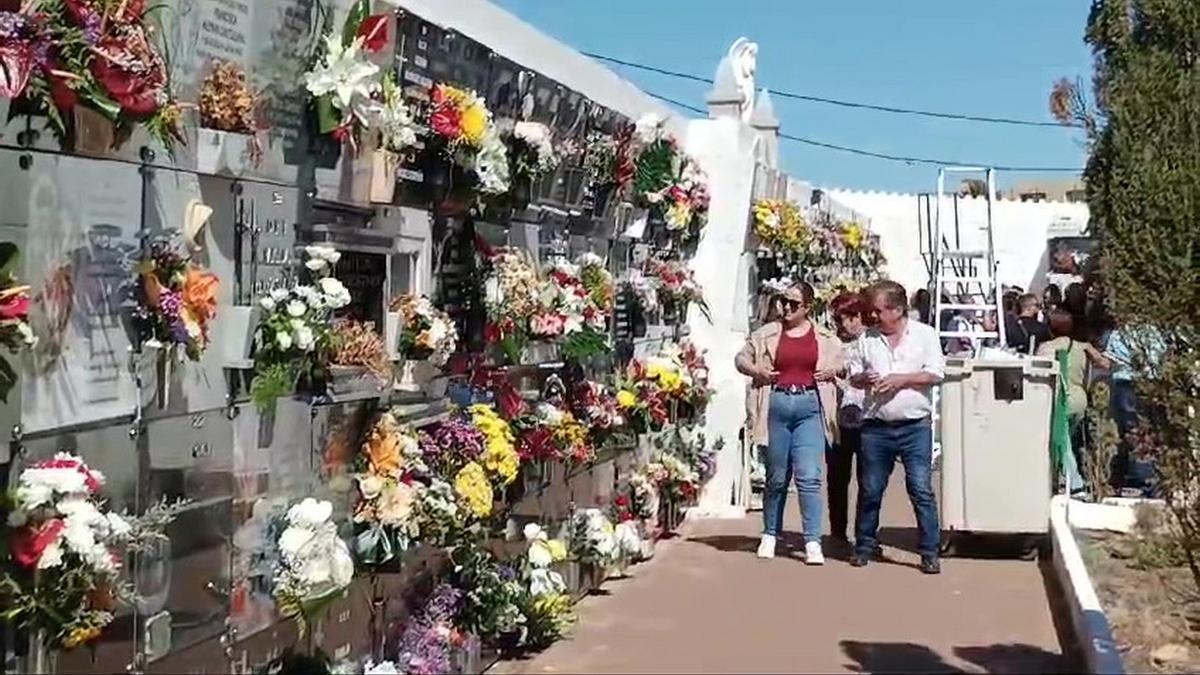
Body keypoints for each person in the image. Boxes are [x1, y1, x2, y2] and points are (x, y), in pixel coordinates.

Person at [736, 282, 845, 563]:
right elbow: (741, 358)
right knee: (776, 476)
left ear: (807, 307)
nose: (786, 308)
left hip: (810, 405)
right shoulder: (767, 334)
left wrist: (833, 370)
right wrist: (756, 370)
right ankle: (770, 533)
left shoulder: (825, 338)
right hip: (777, 404)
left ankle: (812, 541)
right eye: (783, 301)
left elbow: (847, 365)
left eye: (793, 304)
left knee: (809, 476)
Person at [847, 280, 945, 575]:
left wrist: (901, 380)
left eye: (878, 311)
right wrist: (863, 378)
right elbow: (854, 375)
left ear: (898, 310)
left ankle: (929, 551)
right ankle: (864, 545)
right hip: (876, 426)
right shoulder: (867, 339)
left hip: (915, 426)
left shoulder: (925, 335)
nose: (873, 316)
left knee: (920, 488)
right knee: (871, 489)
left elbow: (936, 373)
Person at [1036, 309, 1111, 495]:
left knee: (1062, 442)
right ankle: (1062, 478)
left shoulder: (1046, 348)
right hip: (1080, 400)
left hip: (1061, 399)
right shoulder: (1083, 347)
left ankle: (1075, 483)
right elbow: (1105, 364)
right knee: (1066, 440)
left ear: (1050, 328)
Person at [827, 292, 868, 547]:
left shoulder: (872, 341)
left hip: (866, 417)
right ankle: (838, 532)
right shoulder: (833, 343)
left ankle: (864, 535)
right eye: (839, 319)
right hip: (838, 418)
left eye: (849, 318)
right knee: (837, 479)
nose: (844, 325)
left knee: (868, 481)